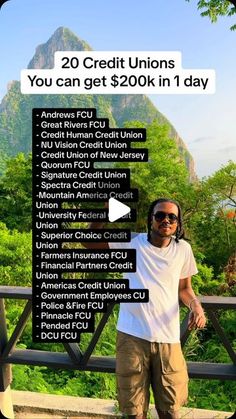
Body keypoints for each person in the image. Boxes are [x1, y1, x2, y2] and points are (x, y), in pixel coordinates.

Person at [83, 197, 206, 419]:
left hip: (168, 339)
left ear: (178, 224)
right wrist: (103, 212)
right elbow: (88, 242)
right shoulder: (131, 243)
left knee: (170, 410)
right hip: (132, 338)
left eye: (172, 217)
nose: (165, 220)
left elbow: (185, 288)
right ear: (151, 219)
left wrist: (196, 305)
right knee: (133, 412)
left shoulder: (183, 250)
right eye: (160, 215)